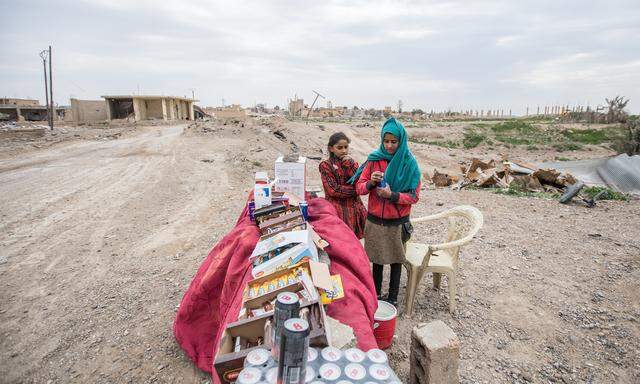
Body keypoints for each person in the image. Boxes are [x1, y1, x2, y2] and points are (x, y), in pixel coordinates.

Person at [350, 118, 421, 307]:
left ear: (401, 141)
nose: (389, 146)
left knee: (396, 260)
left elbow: (413, 196)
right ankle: (376, 295)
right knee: (377, 260)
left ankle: (392, 298)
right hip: (375, 221)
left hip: (397, 222)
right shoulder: (374, 160)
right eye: (386, 141)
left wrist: (392, 195)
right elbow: (359, 188)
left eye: (394, 142)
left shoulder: (410, 164)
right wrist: (371, 183)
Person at [319, 132, 367, 239]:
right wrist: (356, 190)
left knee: (355, 241)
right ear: (331, 148)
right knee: (341, 240)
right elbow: (333, 190)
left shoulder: (351, 163)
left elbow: (360, 182)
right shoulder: (326, 165)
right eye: (339, 148)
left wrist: (350, 165)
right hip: (338, 210)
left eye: (346, 147)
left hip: (355, 209)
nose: (344, 151)